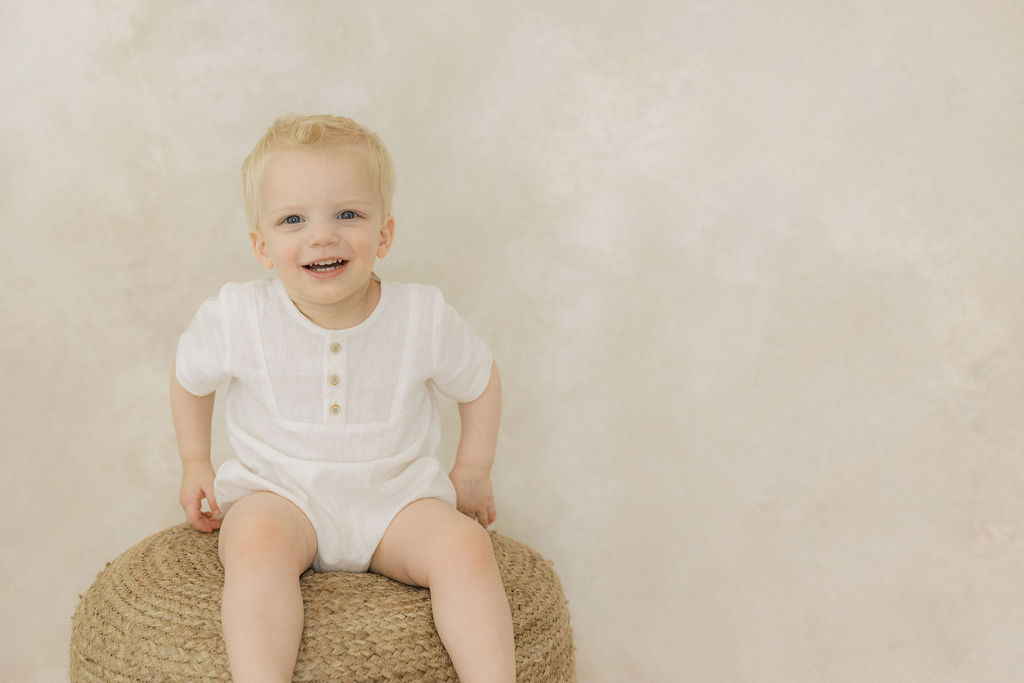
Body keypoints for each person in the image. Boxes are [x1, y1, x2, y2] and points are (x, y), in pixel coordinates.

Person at [170, 114, 515, 682]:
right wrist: (195, 462)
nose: (322, 235)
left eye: (347, 214)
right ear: (262, 245)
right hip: (280, 494)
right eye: (293, 219)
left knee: (466, 548)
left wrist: (472, 469)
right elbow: (189, 376)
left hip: (396, 501)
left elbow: (480, 382)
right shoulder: (238, 316)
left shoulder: (422, 315)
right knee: (253, 544)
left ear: (384, 233)